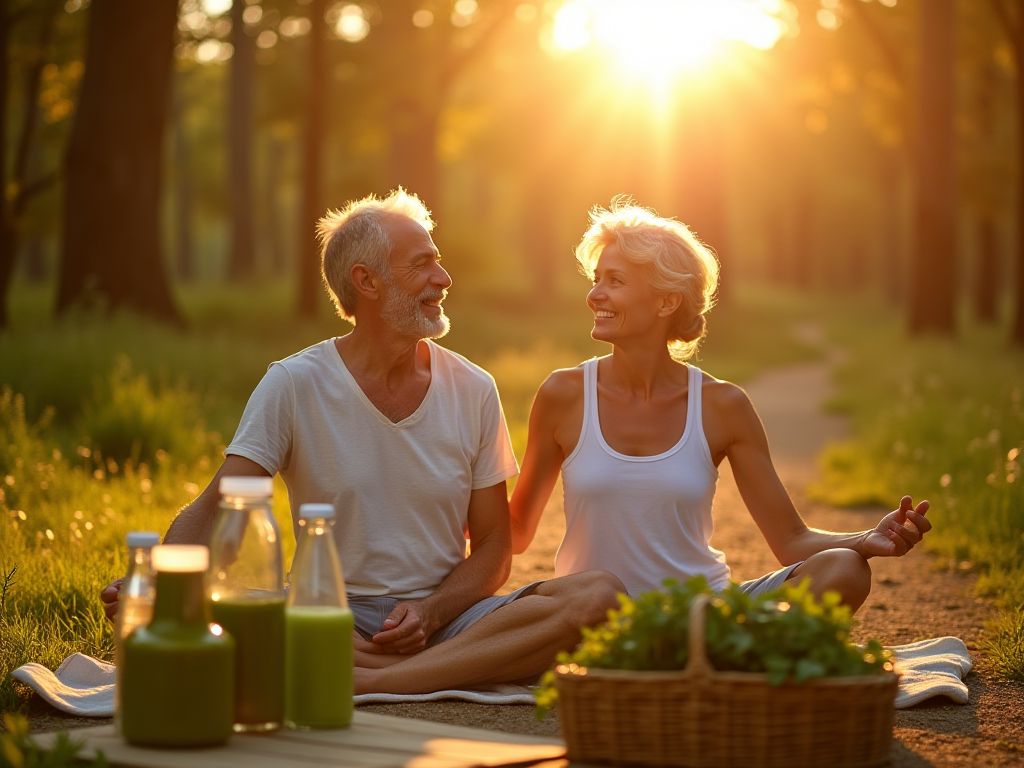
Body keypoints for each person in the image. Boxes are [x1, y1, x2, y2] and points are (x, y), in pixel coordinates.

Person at [101, 188, 622, 694]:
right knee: (234, 611)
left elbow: (493, 547)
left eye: (437, 262)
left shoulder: (474, 388)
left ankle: (379, 679)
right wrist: (160, 588)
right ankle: (436, 669)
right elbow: (220, 504)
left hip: (444, 618)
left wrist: (430, 612)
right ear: (366, 281)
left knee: (599, 597)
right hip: (325, 614)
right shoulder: (293, 383)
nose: (443, 278)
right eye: (422, 264)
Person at [509, 197, 931, 610]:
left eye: (614, 281)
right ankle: (709, 663)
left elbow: (791, 541)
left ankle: (704, 650)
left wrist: (865, 540)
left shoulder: (722, 405)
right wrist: (449, 498)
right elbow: (515, 532)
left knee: (844, 569)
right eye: (596, 279)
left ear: (666, 301)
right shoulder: (563, 395)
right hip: (594, 615)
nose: (595, 295)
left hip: (705, 612)